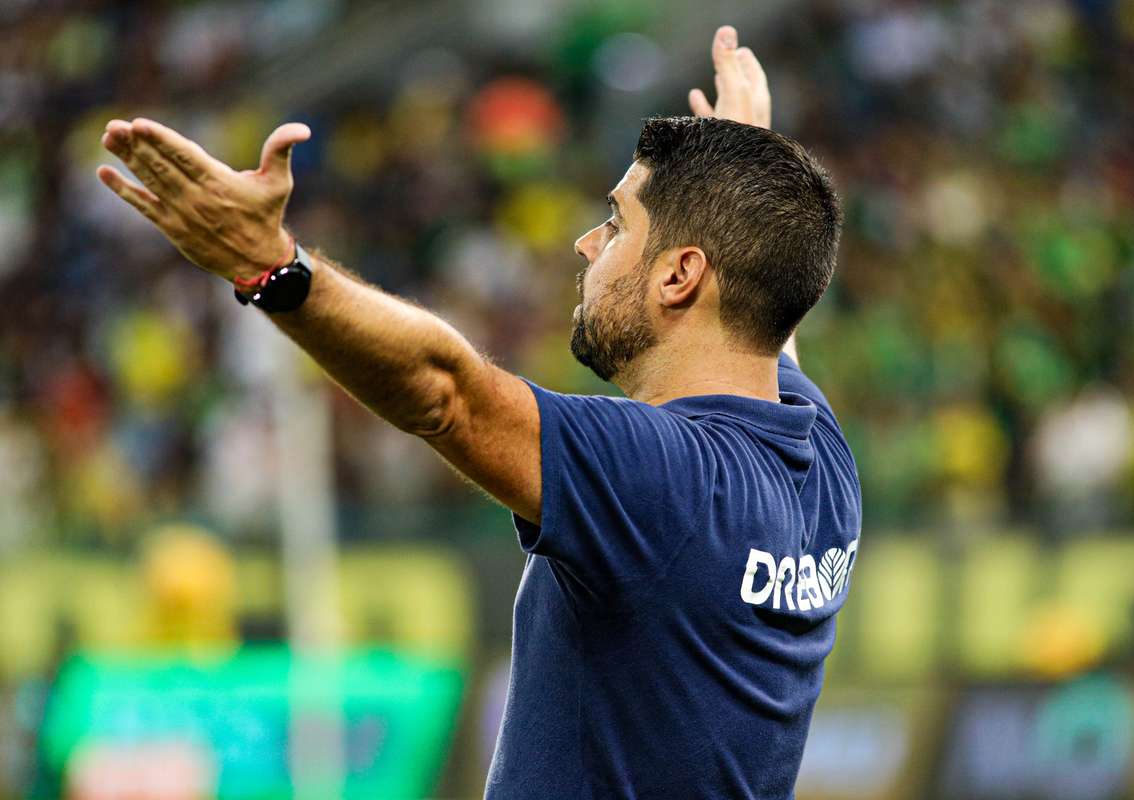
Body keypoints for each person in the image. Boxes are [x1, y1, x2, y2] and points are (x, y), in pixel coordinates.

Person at [97, 24, 861, 800]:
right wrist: (743, 161)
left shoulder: (663, 478)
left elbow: (445, 392)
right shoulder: (820, 467)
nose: (586, 244)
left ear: (681, 276)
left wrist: (269, 267)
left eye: (618, 223)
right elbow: (770, 309)